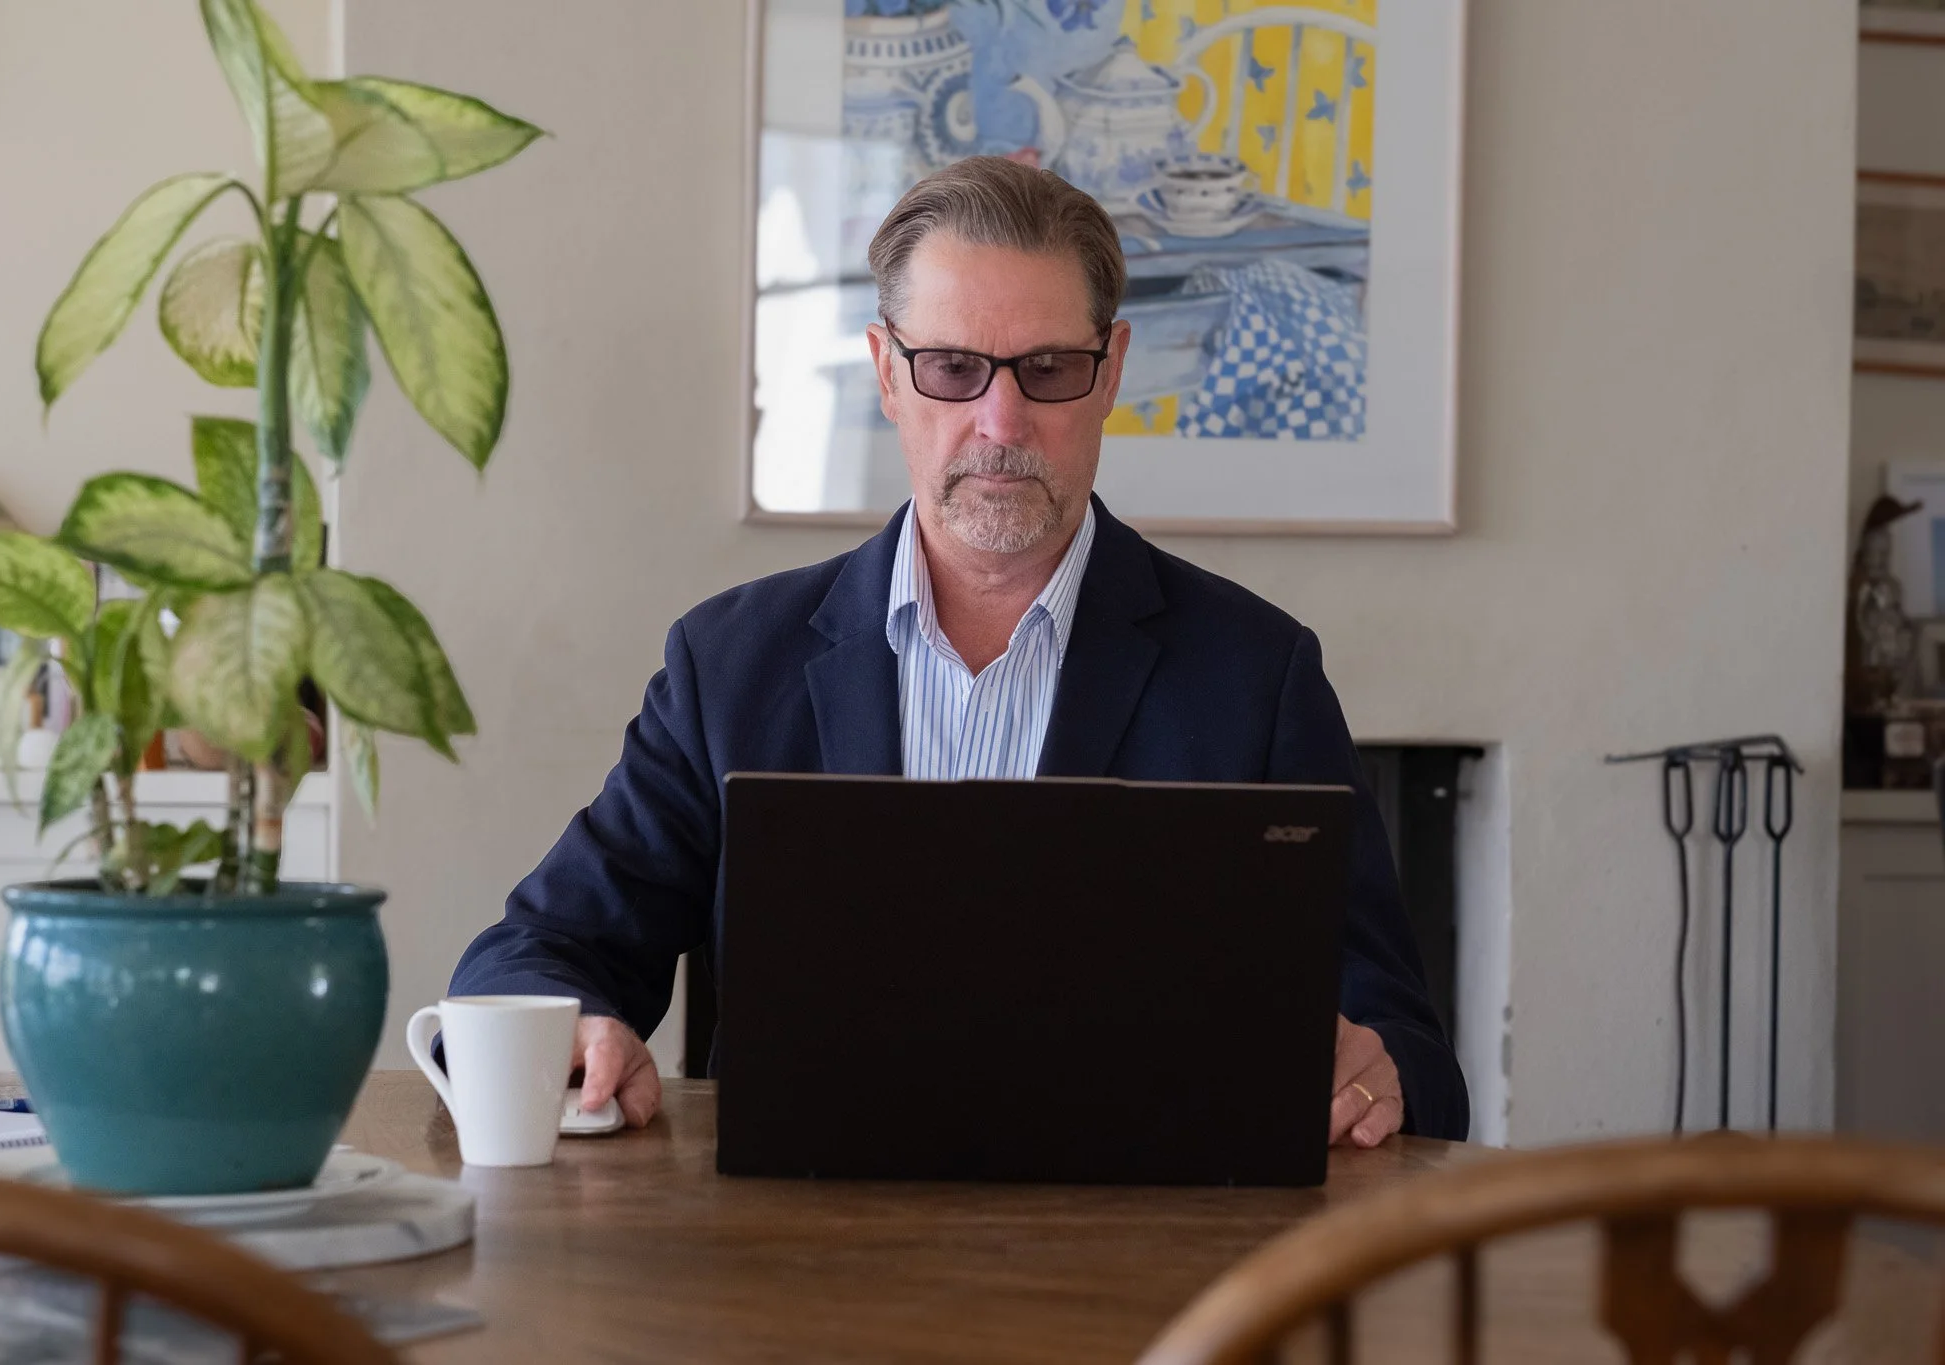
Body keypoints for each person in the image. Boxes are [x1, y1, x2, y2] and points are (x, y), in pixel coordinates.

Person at [451, 157, 1468, 1147]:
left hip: (1141, 1270)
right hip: (790, 1259)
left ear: (1108, 370)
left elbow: (1408, 1049)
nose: (1000, 421)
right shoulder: (730, 664)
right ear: (887, 373)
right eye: (951, 368)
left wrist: (1375, 1072)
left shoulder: (1257, 676)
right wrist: (576, 1027)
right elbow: (539, 951)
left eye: (1049, 370)